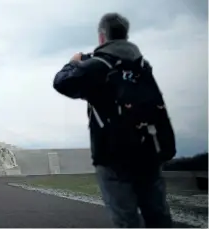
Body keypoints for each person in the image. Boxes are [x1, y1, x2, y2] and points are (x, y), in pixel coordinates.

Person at [52, 12, 176, 228]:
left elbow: (62, 83)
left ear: (102, 37)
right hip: (149, 150)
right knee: (158, 216)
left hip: (114, 153)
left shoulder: (98, 64)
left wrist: (72, 63)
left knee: (126, 220)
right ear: (125, 35)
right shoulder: (142, 66)